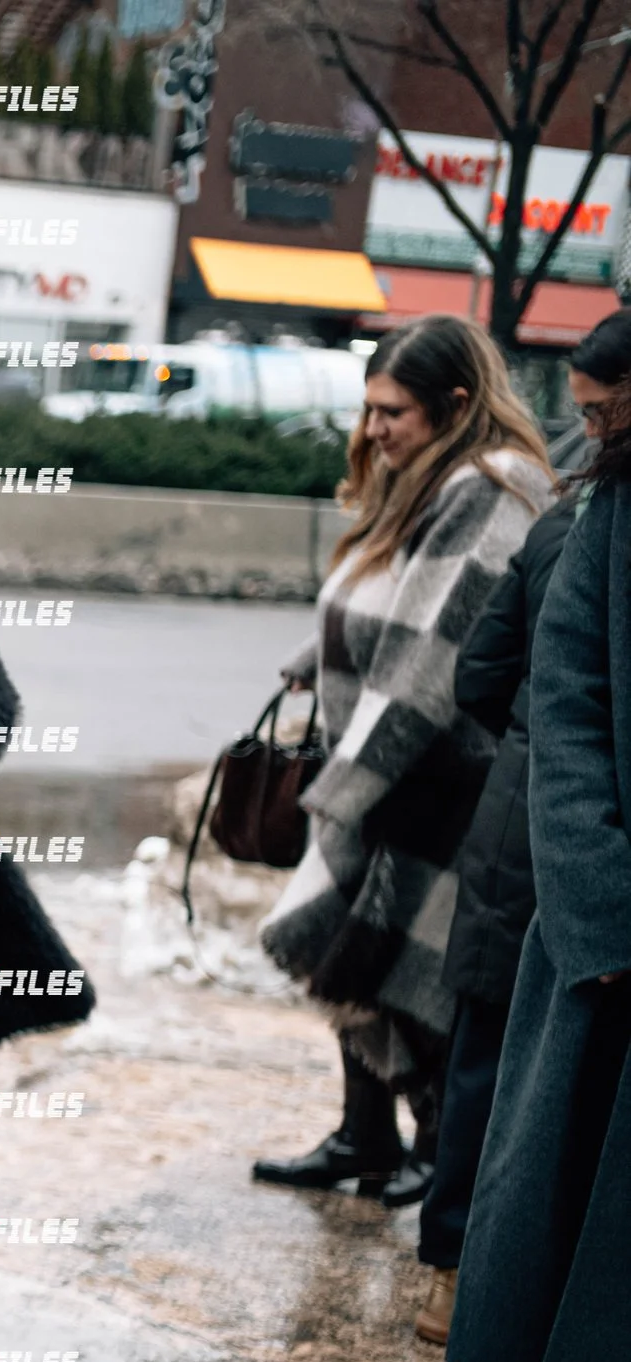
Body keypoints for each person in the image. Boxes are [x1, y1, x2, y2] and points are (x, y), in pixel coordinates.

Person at [253, 315, 554, 1206]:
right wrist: (318, 657)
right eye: (369, 408)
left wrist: (347, 789)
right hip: (389, 765)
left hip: (429, 775)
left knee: (401, 964)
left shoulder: (491, 487)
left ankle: (432, 1145)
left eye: (394, 411)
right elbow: (386, 597)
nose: (373, 428)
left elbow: (435, 649)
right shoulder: (427, 476)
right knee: (358, 950)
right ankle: (367, 1134)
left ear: (456, 405)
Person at [443, 347, 631, 1362]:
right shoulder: (610, 509)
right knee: (587, 1200)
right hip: (609, 931)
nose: (590, 413)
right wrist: (602, 904)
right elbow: (563, 704)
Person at [415, 309, 631, 1343]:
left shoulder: (559, 524)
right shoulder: (581, 522)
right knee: (543, 1074)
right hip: (565, 828)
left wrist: (530, 747)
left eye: (598, 413)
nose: (590, 434)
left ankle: (452, 1267)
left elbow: (478, 675)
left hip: (517, 817)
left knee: (487, 1056)